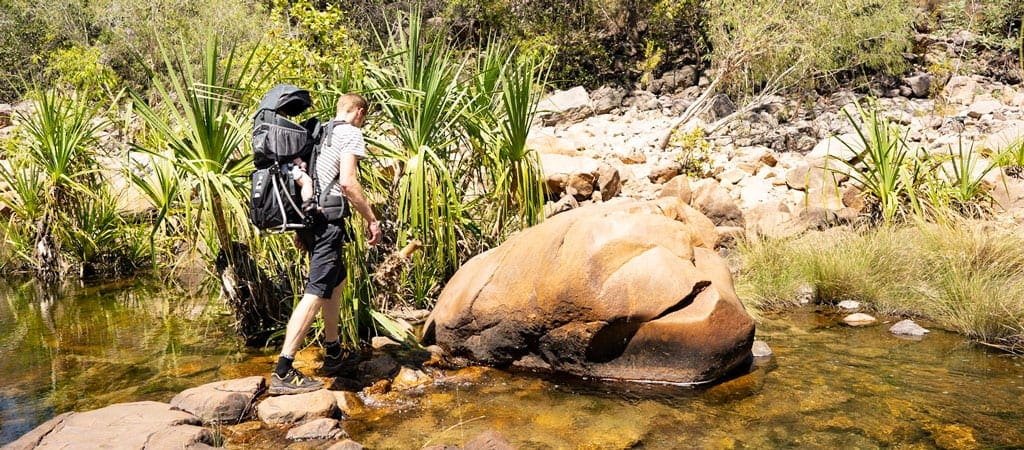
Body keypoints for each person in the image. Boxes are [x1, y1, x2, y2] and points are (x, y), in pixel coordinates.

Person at [269, 93, 382, 395]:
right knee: (317, 290)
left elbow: (308, 179)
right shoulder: (351, 133)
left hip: (308, 221)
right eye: (364, 116)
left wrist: (301, 229)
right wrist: (371, 219)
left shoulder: (316, 132)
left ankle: (333, 351)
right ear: (358, 112)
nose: (364, 121)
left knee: (337, 280)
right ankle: (283, 369)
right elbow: (347, 182)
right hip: (327, 223)